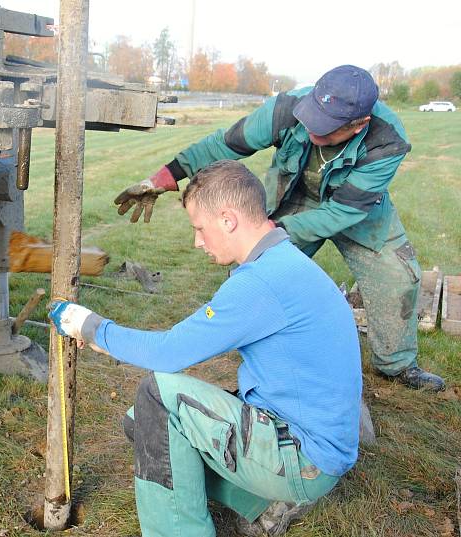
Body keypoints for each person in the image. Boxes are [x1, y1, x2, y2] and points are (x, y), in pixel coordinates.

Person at [48, 160, 362, 537]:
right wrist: (108, 341)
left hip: (304, 456)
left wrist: (91, 327)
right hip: (315, 444)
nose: (197, 241)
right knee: (141, 423)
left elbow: (169, 353)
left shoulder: (262, 281)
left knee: (156, 398)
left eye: (199, 227)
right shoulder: (283, 262)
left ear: (227, 219)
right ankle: (263, 506)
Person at [113, 65, 444, 392]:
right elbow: (225, 144)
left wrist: (267, 229)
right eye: (312, 117)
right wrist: (164, 177)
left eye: (326, 128)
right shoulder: (287, 108)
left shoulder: (388, 140)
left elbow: (341, 212)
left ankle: (397, 364)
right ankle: (253, 341)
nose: (313, 129)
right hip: (295, 195)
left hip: (357, 209)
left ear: (360, 125)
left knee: (399, 278)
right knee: (256, 272)